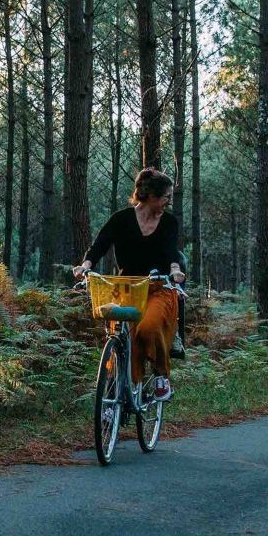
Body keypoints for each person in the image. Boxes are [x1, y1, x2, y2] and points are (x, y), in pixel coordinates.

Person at [74, 168, 185, 402]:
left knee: (148, 328)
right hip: (126, 289)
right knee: (124, 343)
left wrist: (175, 270)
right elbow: (99, 245)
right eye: (166, 197)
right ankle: (118, 397)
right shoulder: (121, 219)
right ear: (151, 196)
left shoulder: (169, 222)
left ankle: (161, 376)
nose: (168, 202)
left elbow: (171, 252)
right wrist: (86, 265)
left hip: (158, 288)